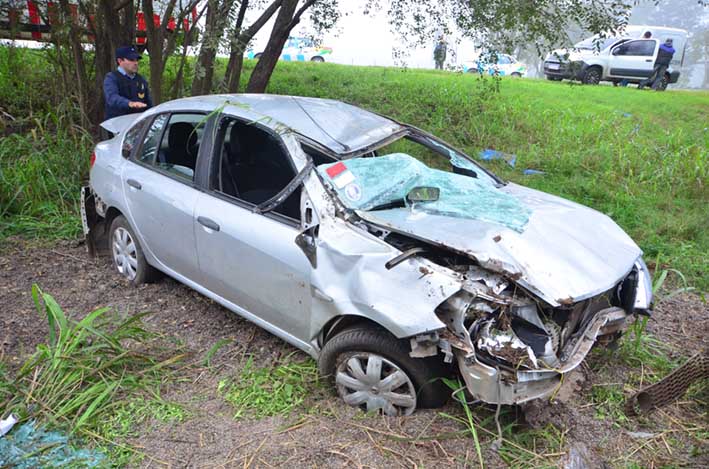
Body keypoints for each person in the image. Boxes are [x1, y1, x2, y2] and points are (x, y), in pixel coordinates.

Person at [103, 46, 152, 120]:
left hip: (138, 125)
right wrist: (129, 104)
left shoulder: (141, 80)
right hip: (118, 125)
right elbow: (112, 98)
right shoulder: (112, 77)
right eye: (131, 60)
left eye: (136, 60)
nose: (135, 63)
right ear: (120, 61)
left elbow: (148, 103)